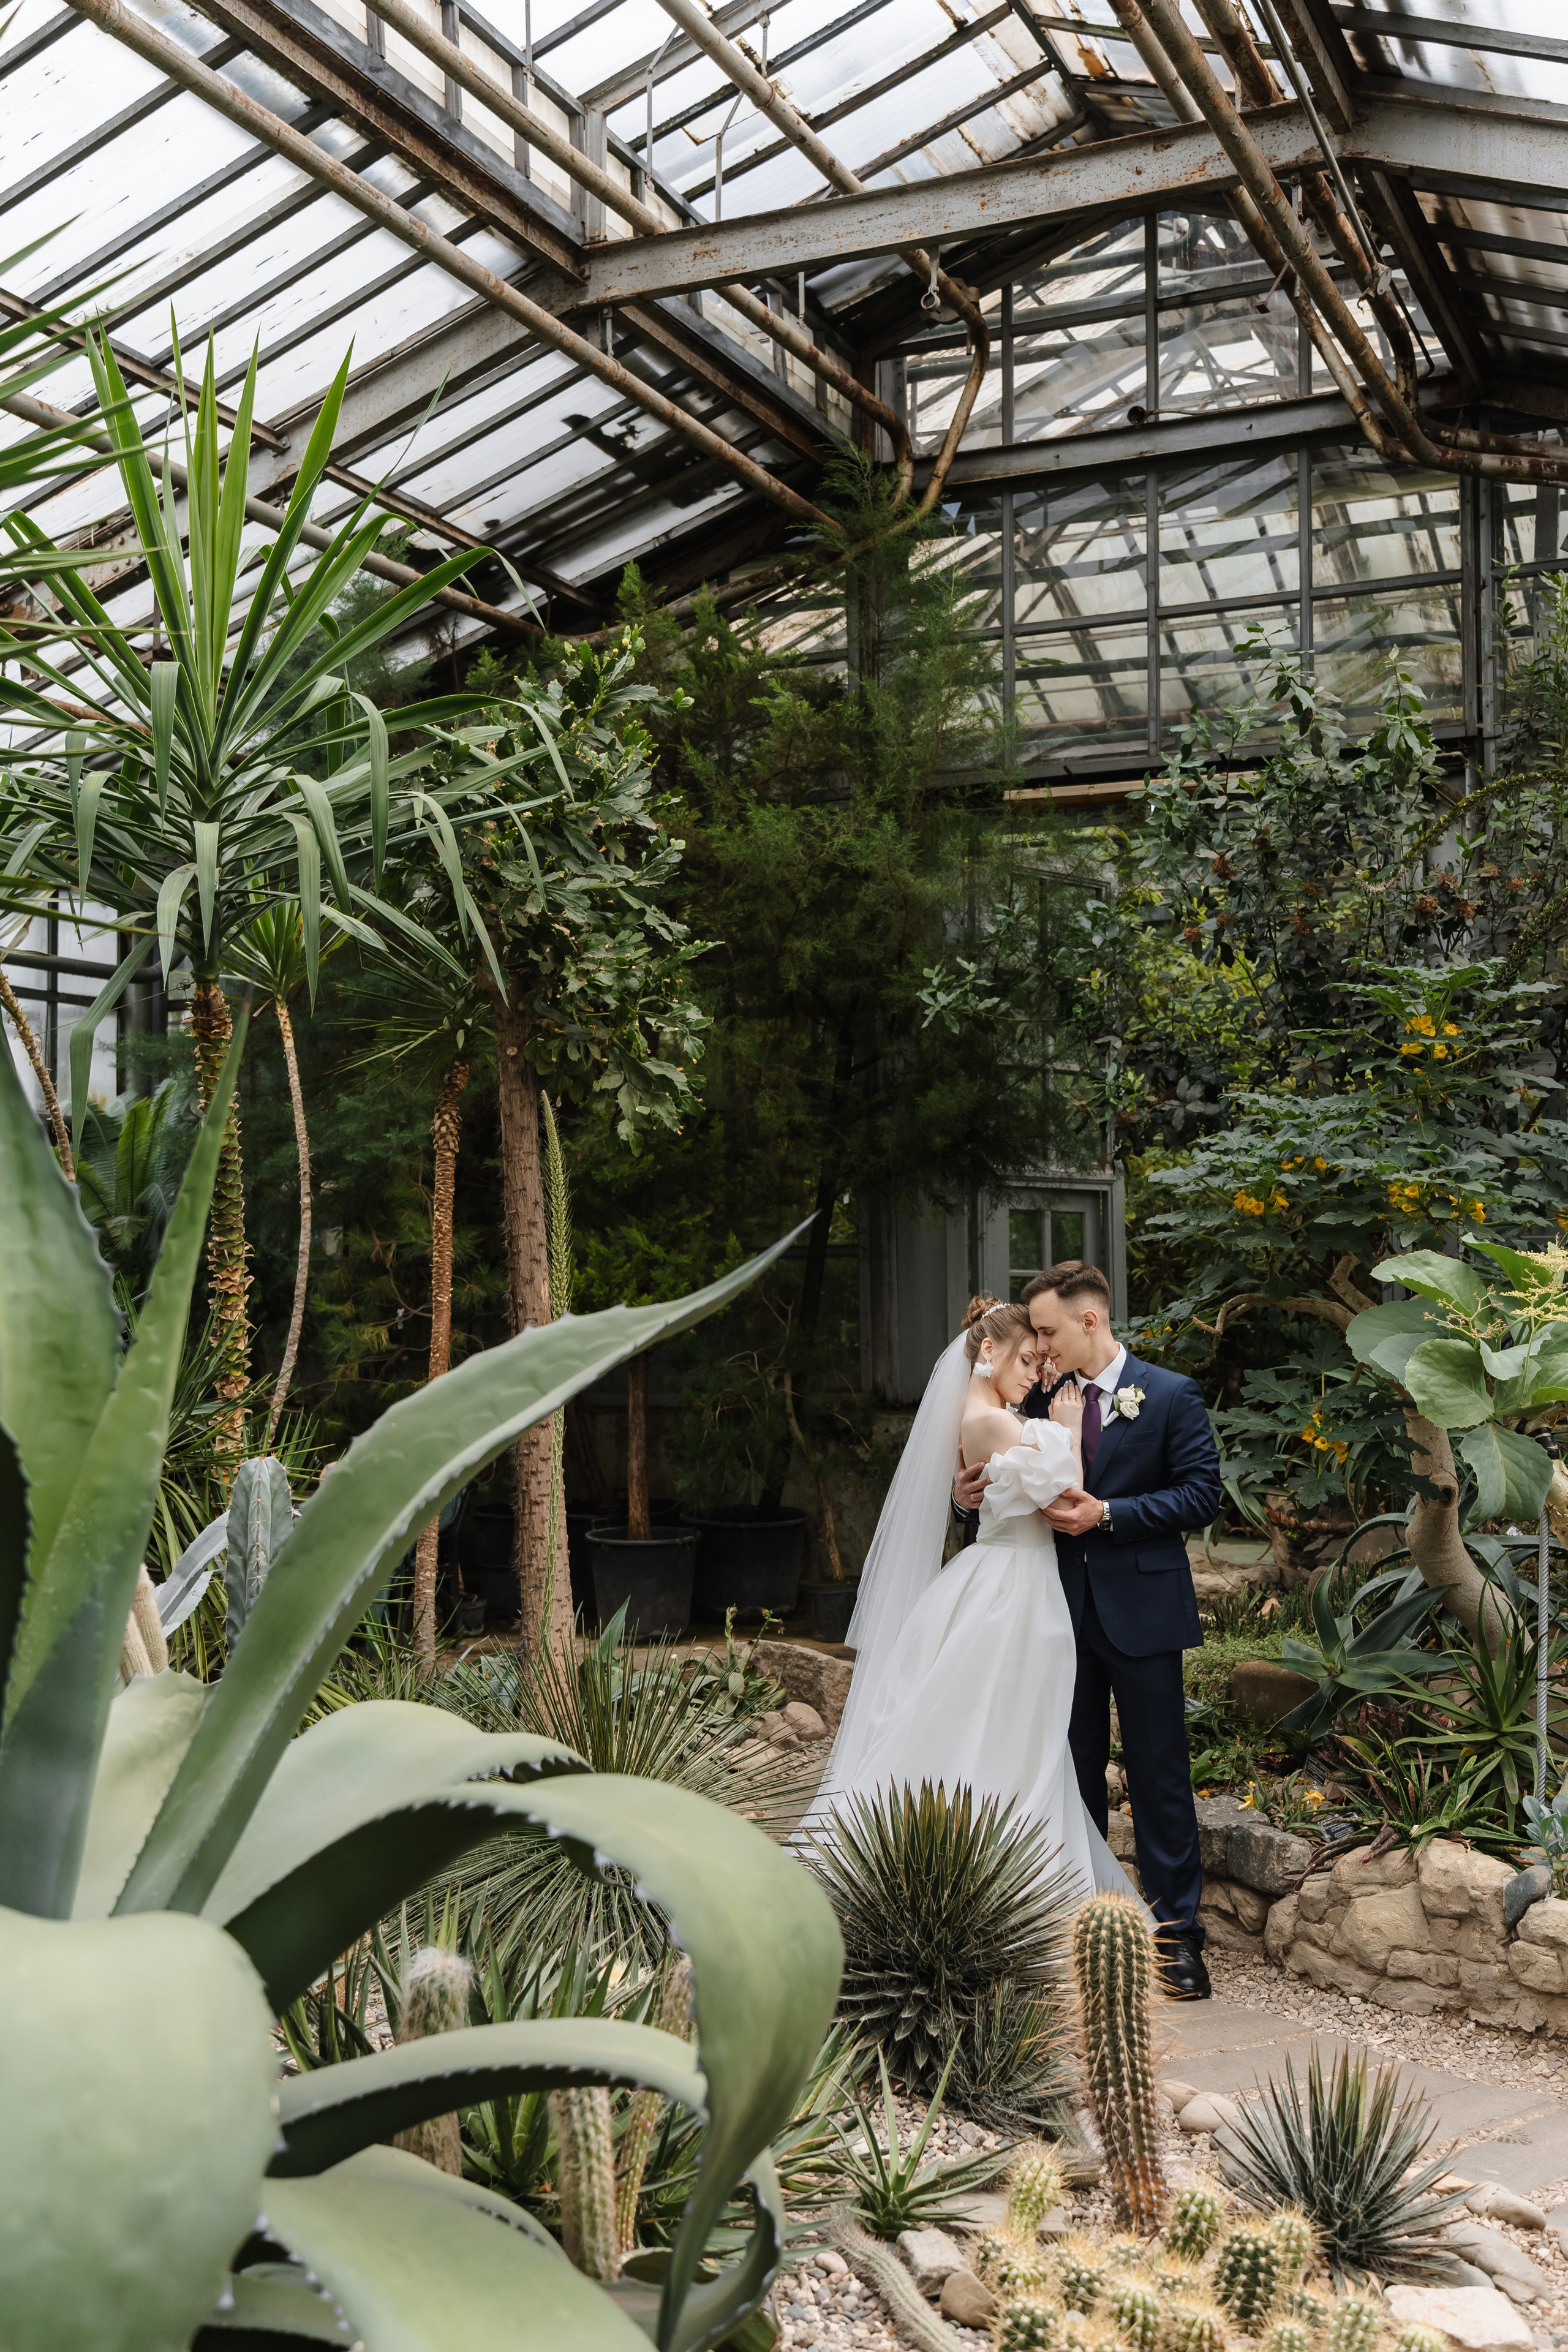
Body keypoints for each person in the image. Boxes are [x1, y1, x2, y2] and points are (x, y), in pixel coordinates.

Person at [797, 1295, 1139, 1909]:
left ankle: (1006, 1888)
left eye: (1041, 1362)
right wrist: (1064, 1430)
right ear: (988, 1350)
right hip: (1011, 1590)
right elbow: (1066, 1492)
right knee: (1001, 1732)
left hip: (1014, 1577)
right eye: (1028, 1360)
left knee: (1007, 1731)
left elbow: (1009, 1488)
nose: (1037, 1375)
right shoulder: (990, 1420)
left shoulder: (994, 1415)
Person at [954, 1260, 1223, 1999]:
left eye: (1046, 1331)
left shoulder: (1169, 1395)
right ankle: (1087, 1934)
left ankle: (1177, 1943)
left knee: (1159, 1776)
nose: (1039, 1348)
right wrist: (964, 1495)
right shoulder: (1031, 1397)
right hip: (1049, 1615)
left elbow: (1202, 1494)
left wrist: (1109, 1514)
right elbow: (995, 1499)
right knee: (1069, 1777)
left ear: (1089, 1321)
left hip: (1142, 1613)